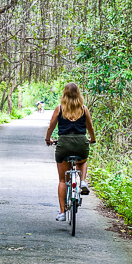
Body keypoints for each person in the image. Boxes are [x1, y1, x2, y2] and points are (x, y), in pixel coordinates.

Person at [45, 83, 96, 221]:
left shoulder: (59, 109)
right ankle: (83, 181)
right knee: (82, 161)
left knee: (62, 180)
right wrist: (92, 138)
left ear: (64, 94)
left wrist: (48, 139)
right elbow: (89, 126)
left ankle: (62, 212)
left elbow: (51, 126)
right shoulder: (84, 109)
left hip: (63, 144)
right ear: (78, 94)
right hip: (81, 143)